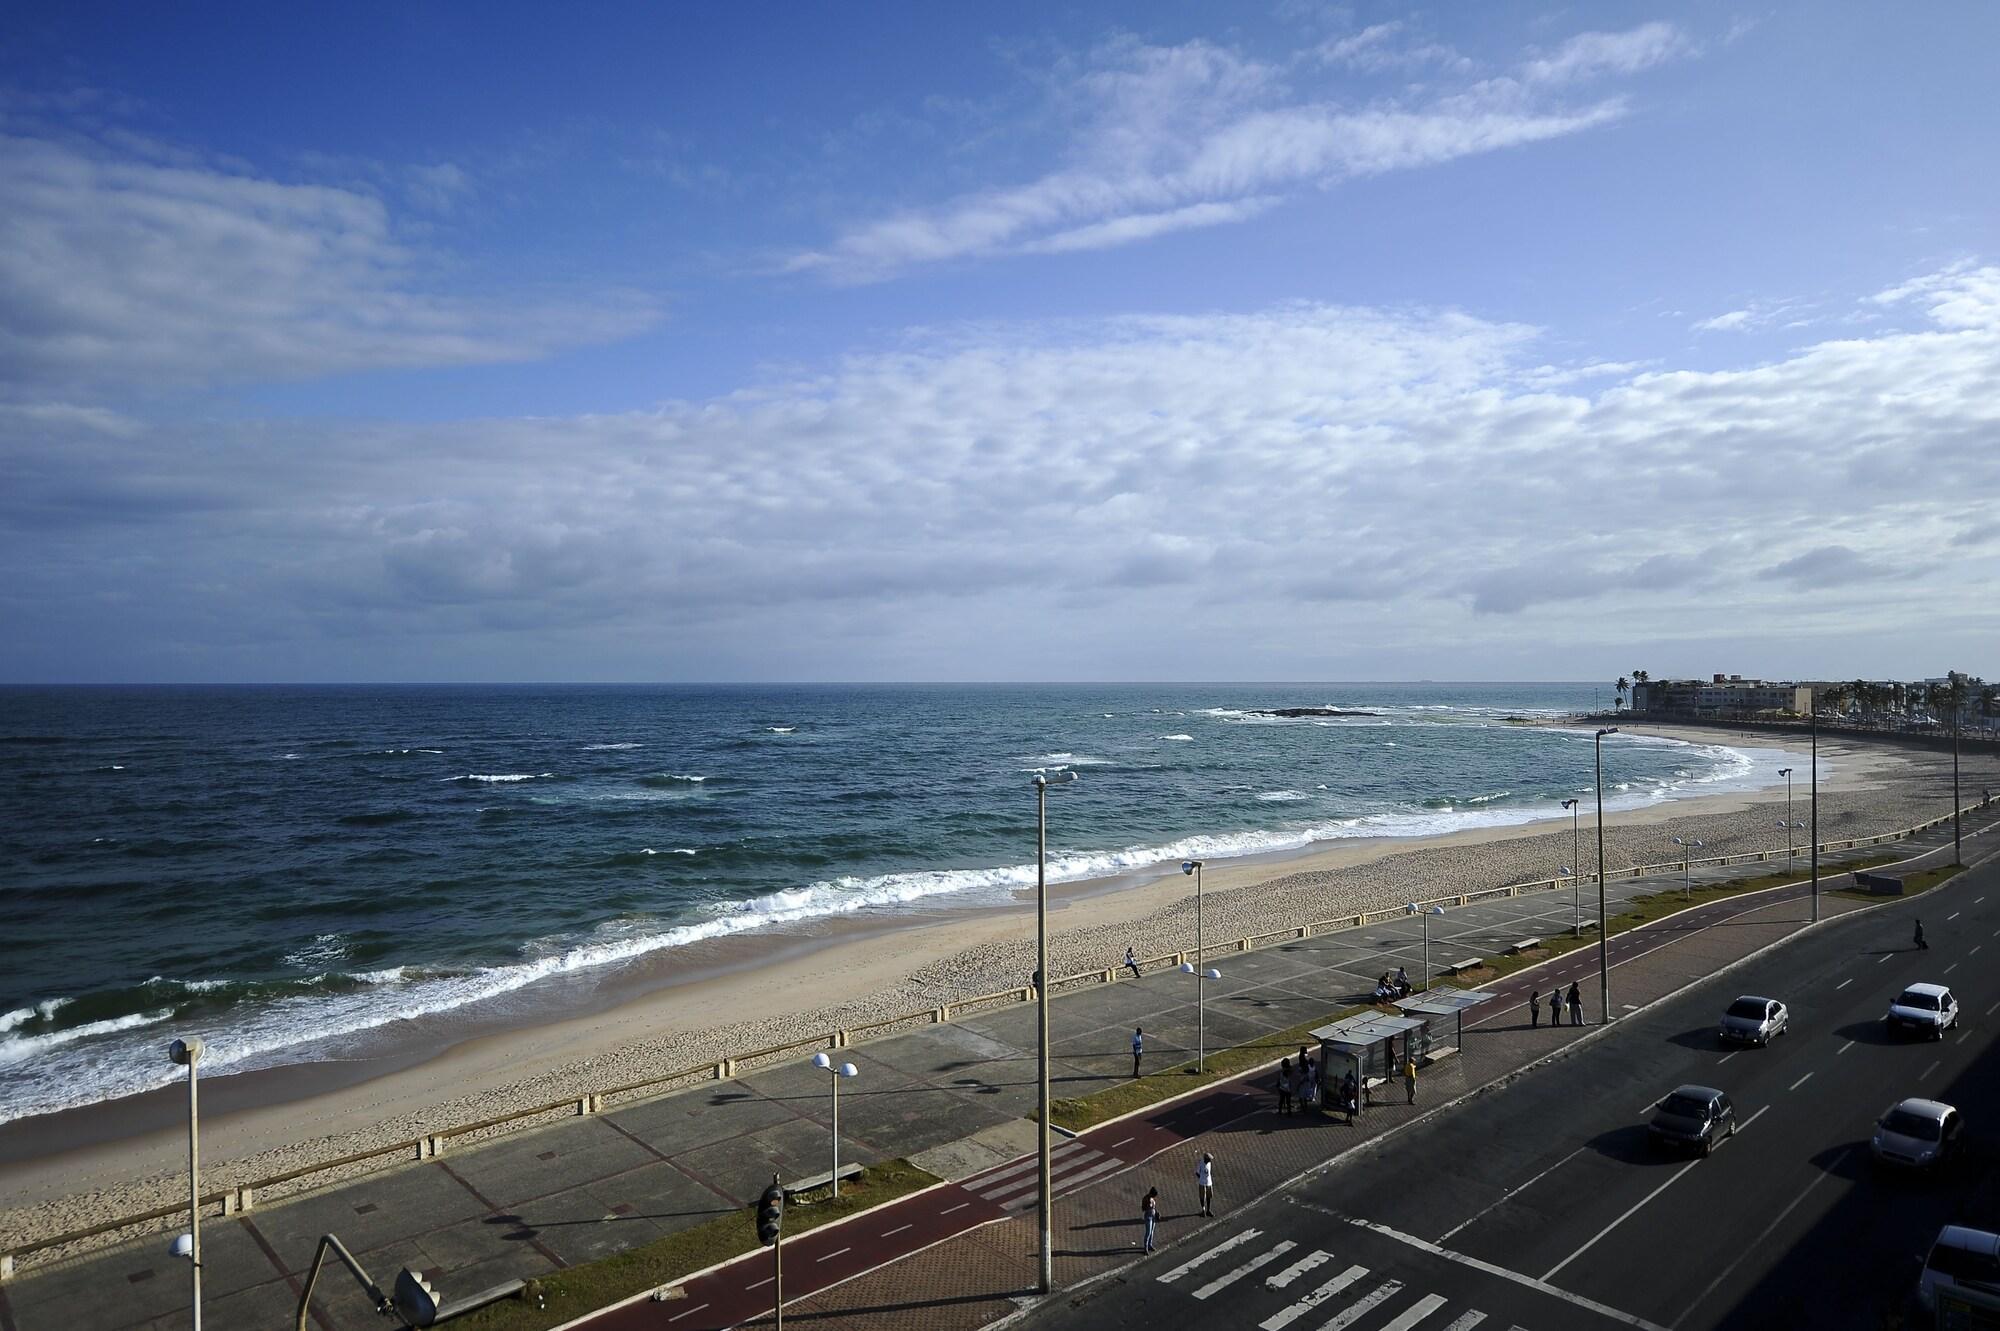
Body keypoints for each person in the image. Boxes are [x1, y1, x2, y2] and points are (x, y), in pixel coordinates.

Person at [1195, 1152, 1215, 1217]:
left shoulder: (1209, 1163)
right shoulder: (1201, 1163)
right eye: (1209, 1159)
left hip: (1209, 1183)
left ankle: (1208, 1210)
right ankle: (1203, 1210)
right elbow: (1197, 1172)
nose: (1210, 1160)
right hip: (1202, 1183)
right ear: (1206, 1159)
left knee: (1209, 1197)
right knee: (1202, 1197)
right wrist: (1201, 1178)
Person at [1141, 1186, 1159, 1252]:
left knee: (1152, 1232)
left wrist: (1156, 1212)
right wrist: (1148, 1205)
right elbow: (1143, 1208)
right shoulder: (1146, 1199)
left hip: (1153, 1216)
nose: (1154, 1197)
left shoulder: (1152, 1198)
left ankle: (1150, 1245)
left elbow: (1154, 1207)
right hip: (1148, 1217)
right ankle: (1145, 1247)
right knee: (1148, 1233)